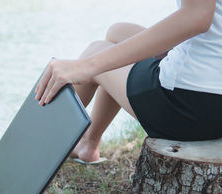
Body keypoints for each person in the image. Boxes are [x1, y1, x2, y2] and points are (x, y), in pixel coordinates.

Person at [35, 0, 222, 164]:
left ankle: (36, 155)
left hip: (190, 104)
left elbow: (196, 16)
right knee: (117, 31)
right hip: (211, 85)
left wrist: (88, 66)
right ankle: (89, 142)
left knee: (96, 51)